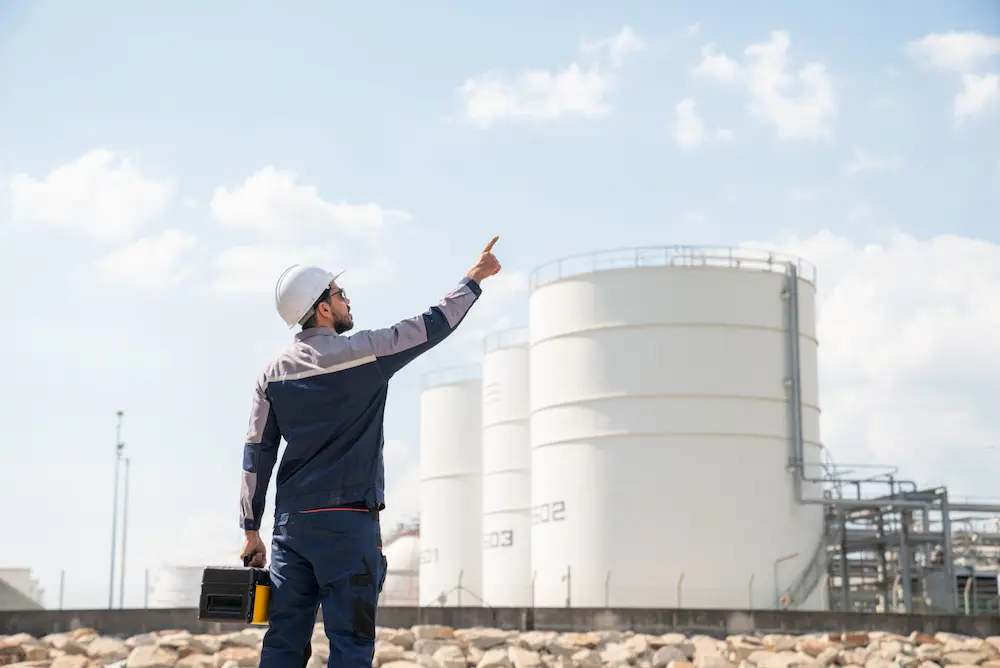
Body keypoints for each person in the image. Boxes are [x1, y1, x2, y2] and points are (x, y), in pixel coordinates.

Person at [237, 237, 502, 668]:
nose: (346, 301)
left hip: (292, 531)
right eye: (340, 295)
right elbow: (433, 323)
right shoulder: (366, 352)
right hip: (348, 524)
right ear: (323, 308)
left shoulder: (271, 375)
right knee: (351, 647)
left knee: (283, 645)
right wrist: (474, 278)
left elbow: (256, 455)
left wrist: (251, 529)